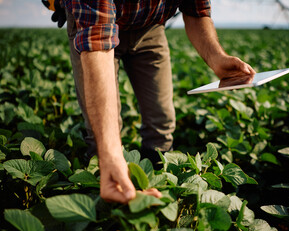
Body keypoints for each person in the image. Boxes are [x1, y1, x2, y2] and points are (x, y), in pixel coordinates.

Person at [44, 0, 255, 204]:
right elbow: (98, 43)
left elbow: (195, 10)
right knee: (102, 138)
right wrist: (110, 153)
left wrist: (217, 58)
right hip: (94, 27)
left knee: (161, 122)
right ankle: (106, 197)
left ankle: (157, 187)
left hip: (150, 29)